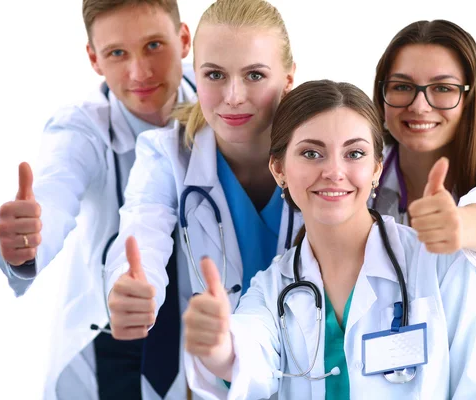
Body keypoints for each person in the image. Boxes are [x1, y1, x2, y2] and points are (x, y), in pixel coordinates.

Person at [182, 80, 476, 399]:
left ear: (376, 169)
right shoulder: (272, 289)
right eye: (312, 153)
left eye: (354, 153)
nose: (334, 171)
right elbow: (248, 350)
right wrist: (220, 346)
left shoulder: (439, 265)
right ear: (279, 170)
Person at [0, 0, 194, 399]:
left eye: (154, 45)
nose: (139, 72)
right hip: (114, 342)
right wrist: (27, 243)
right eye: (117, 53)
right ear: (93, 59)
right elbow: (55, 189)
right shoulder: (82, 127)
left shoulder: (222, 106)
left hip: (206, 333)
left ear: (184, 39)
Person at [103, 0, 300, 392]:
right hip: (219, 379)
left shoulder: (326, 154)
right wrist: (132, 286)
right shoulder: (166, 153)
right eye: (214, 74)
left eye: (255, 75)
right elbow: (142, 229)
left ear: (289, 80)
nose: (233, 96)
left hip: (314, 373)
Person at [371, 19, 476, 382]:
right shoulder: (359, 174)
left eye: (442, 88)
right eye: (402, 86)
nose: (420, 105)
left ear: (469, 97)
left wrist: (458, 224)